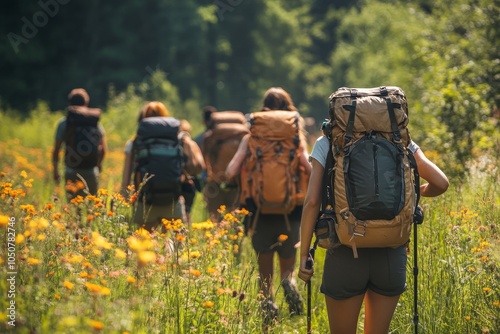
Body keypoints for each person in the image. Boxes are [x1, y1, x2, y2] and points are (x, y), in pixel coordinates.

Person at [298, 135, 449, 333]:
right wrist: (412, 194)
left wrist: (303, 255)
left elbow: (312, 202)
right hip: (391, 252)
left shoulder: (329, 140)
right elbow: (441, 183)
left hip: (346, 252)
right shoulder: (398, 136)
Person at [226, 87, 312, 325]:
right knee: (288, 267)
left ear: (263, 108)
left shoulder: (251, 137)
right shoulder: (295, 138)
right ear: (289, 108)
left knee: (265, 273)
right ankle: (289, 282)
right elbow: (309, 167)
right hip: (291, 212)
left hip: (259, 212)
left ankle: (268, 303)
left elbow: (230, 171)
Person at [121, 102, 205, 231]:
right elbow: (198, 166)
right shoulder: (178, 141)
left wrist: (124, 203)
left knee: (145, 245)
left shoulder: (135, 143)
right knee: (172, 243)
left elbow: (126, 180)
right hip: (173, 201)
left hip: (145, 202)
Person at [52, 88, 107, 200]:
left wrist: (55, 171)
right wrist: (98, 165)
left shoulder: (64, 123)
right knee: (91, 206)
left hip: (71, 170)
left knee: (72, 207)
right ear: (86, 103)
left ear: (70, 103)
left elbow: (57, 149)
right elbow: (103, 149)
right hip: (91, 170)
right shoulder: (94, 123)